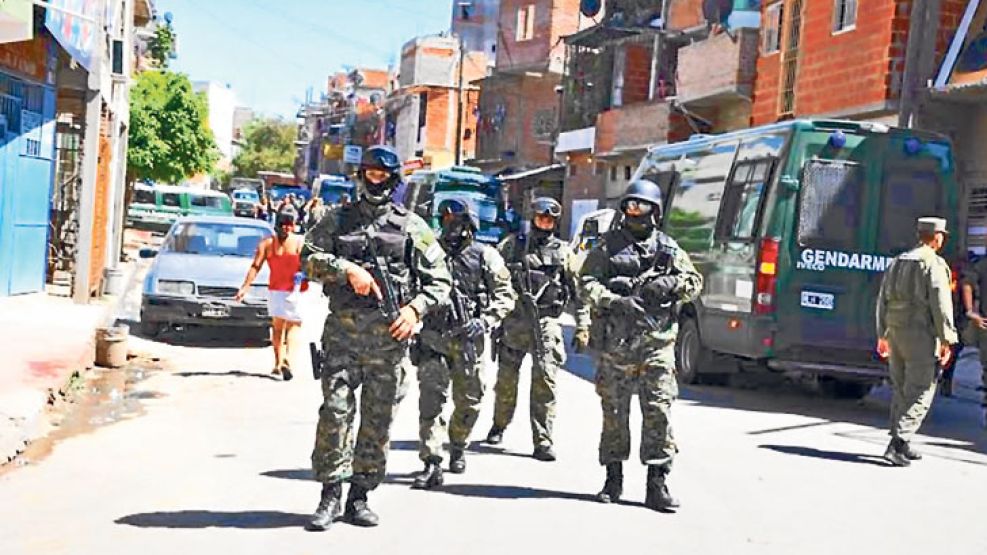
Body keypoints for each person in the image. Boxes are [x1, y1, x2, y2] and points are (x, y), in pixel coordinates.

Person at [301, 145, 451, 532]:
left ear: (393, 179)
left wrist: (414, 310)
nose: (375, 181)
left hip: (388, 342)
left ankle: (359, 496)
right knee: (335, 414)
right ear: (361, 175)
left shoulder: (411, 226)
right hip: (343, 337)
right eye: (369, 173)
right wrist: (344, 267)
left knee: (377, 421)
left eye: (382, 175)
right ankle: (329, 494)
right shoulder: (338, 220)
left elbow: (440, 281)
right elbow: (307, 257)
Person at [579, 179, 703, 512]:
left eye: (641, 206)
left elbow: (694, 283)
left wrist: (671, 282)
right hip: (616, 346)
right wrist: (613, 300)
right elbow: (586, 283)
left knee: (658, 412)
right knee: (614, 414)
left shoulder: (668, 248)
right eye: (629, 206)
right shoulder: (607, 247)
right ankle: (612, 479)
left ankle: (657, 484)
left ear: (655, 211)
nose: (634, 212)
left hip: (658, 345)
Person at [411, 199, 516, 489]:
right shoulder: (430, 253)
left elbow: (506, 295)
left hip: (470, 341)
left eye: (456, 221)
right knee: (431, 402)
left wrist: (484, 321)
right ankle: (432, 461)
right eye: (446, 220)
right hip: (434, 338)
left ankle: (457, 444)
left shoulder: (486, 255)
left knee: (469, 402)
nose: (451, 228)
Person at [485, 197, 590, 461]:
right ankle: (499, 424)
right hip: (515, 322)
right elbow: (491, 278)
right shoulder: (512, 246)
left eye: (550, 219)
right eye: (541, 218)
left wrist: (583, 326)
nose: (545, 222)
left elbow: (580, 292)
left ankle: (542, 440)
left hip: (546, 324)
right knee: (506, 382)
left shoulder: (565, 253)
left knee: (545, 382)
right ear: (533, 218)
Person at [876, 217, 958, 467]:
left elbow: (882, 299)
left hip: (895, 331)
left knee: (902, 388)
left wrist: (882, 334)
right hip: (920, 334)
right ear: (936, 237)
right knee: (922, 389)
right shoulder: (934, 264)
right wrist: (947, 339)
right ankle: (898, 442)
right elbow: (941, 304)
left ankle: (903, 441)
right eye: (942, 235)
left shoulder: (898, 261)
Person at [235, 206, 307, 381]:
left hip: (277, 291)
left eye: (288, 224)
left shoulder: (267, 244)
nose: (286, 227)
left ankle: (279, 363)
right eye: (284, 224)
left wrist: (245, 287)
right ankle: (286, 360)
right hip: (294, 290)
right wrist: (245, 287)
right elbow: (308, 266)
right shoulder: (299, 243)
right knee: (293, 326)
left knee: (278, 326)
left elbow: (255, 266)